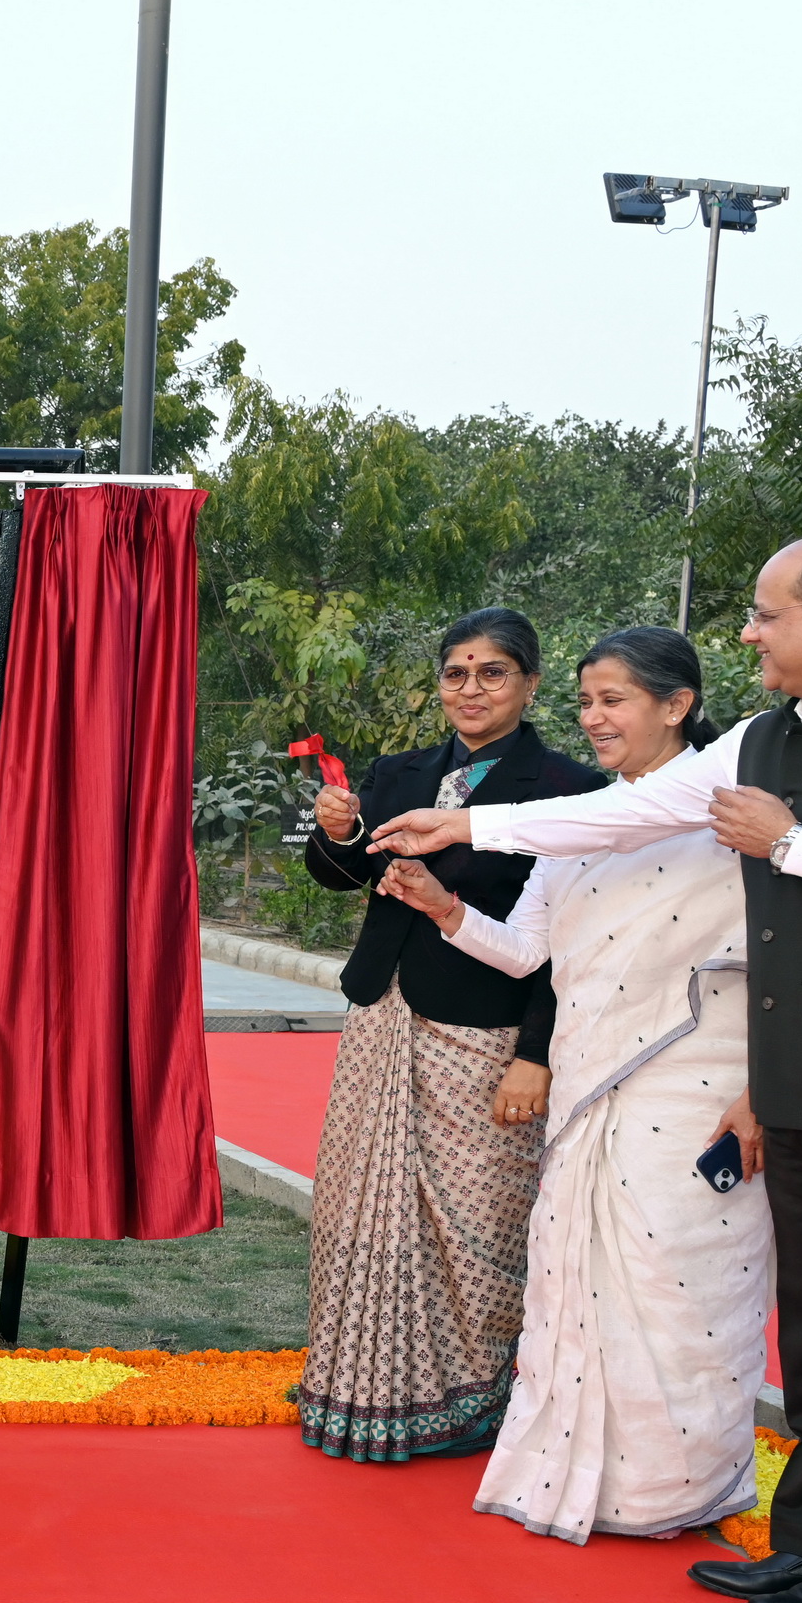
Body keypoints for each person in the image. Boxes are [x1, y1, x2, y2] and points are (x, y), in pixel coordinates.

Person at [378, 531, 802, 1603]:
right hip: (797, 1076)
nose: (750, 632)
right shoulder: (761, 735)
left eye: (765, 614)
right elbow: (625, 814)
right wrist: (470, 824)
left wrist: (796, 843)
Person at [375, 627, 769, 1542]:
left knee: (677, 1287)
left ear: (676, 706)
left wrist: (765, 1092)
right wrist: (444, 910)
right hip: (594, 1085)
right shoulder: (579, 823)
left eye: (615, 700)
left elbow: (773, 961)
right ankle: (578, 1480)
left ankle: (678, 1488)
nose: (593, 719)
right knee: (575, 1279)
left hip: (694, 1084)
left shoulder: (728, 812)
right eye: (587, 702)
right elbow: (528, 951)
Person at [294, 606, 605, 1462]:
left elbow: (565, 946)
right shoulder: (400, 773)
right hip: (382, 1015)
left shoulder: (570, 790)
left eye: (492, 672)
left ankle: (473, 1396)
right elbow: (347, 873)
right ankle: (363, 1386)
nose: (471, 689)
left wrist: (536, 1055)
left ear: (532, 683)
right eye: (456, 673)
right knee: (362, 1206)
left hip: (488, 1030)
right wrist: (335, 834)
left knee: (480, 1222)